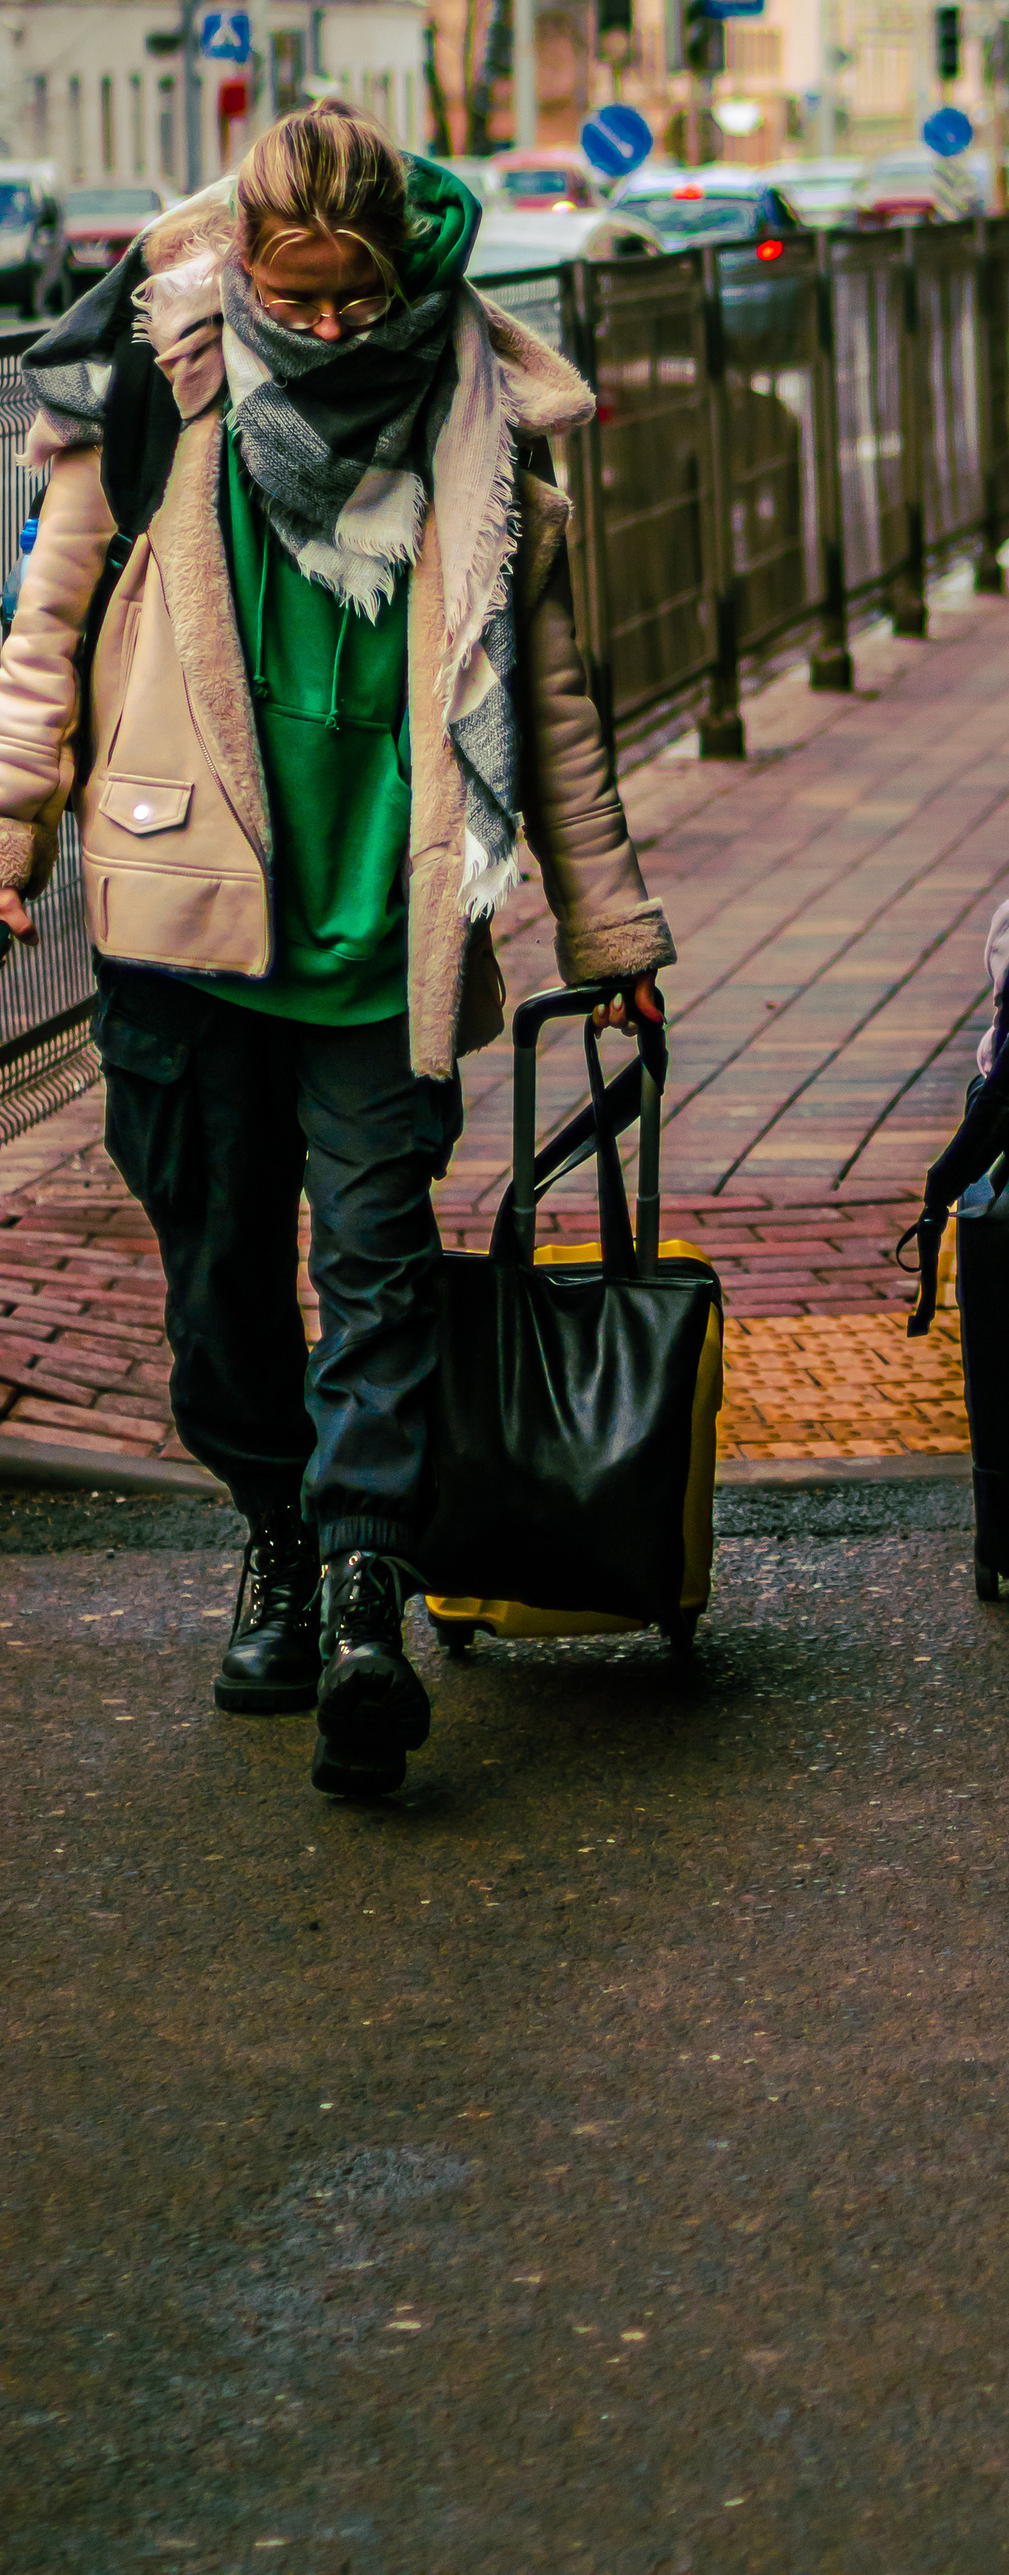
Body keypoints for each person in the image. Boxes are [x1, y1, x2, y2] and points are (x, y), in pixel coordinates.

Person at [0, 99, 674, 1800]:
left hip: (392, 924)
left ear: (398, 268)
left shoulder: (475, 403)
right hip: (181, 912)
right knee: (218, 1275)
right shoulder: (155, 382)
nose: (316, 330)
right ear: (240, 260)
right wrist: (8, 836)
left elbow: (552, 687)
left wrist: (606, 922)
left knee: (376, 1260)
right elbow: (47, 631)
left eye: (344, 301)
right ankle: (278, 1522)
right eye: (287, 299)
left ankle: (366, 1582)